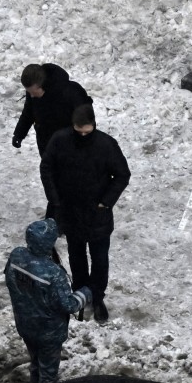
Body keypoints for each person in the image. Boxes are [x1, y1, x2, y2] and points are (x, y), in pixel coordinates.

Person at [40, 103, 131, 323]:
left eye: (86, 131)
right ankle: (80, 293)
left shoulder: (106, 145)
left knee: (100, 259)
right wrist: (55, 199)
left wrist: (105, 202)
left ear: (94, 125)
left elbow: (122, 175)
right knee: (76, 255)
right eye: (78, 131)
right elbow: (47, 167)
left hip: (96, 213)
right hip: (70, 211)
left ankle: (97, 297)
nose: (82, 135)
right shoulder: (60, 141)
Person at [4, 219, 92, 383]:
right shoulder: (53, 273)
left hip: (24, 324)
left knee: (35, 360)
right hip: (48, 333)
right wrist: (86, 293)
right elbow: (68, 305)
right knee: (49, 374)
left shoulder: (16, 256)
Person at [11, 63, 92, 157]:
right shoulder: (32, 91)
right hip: (46, 146)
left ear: (43, 85)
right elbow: (28, 113)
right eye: (29, 92)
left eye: (33, 92)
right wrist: (19, 134)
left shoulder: (70, 92)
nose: (31, 95)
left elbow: (86, 118)